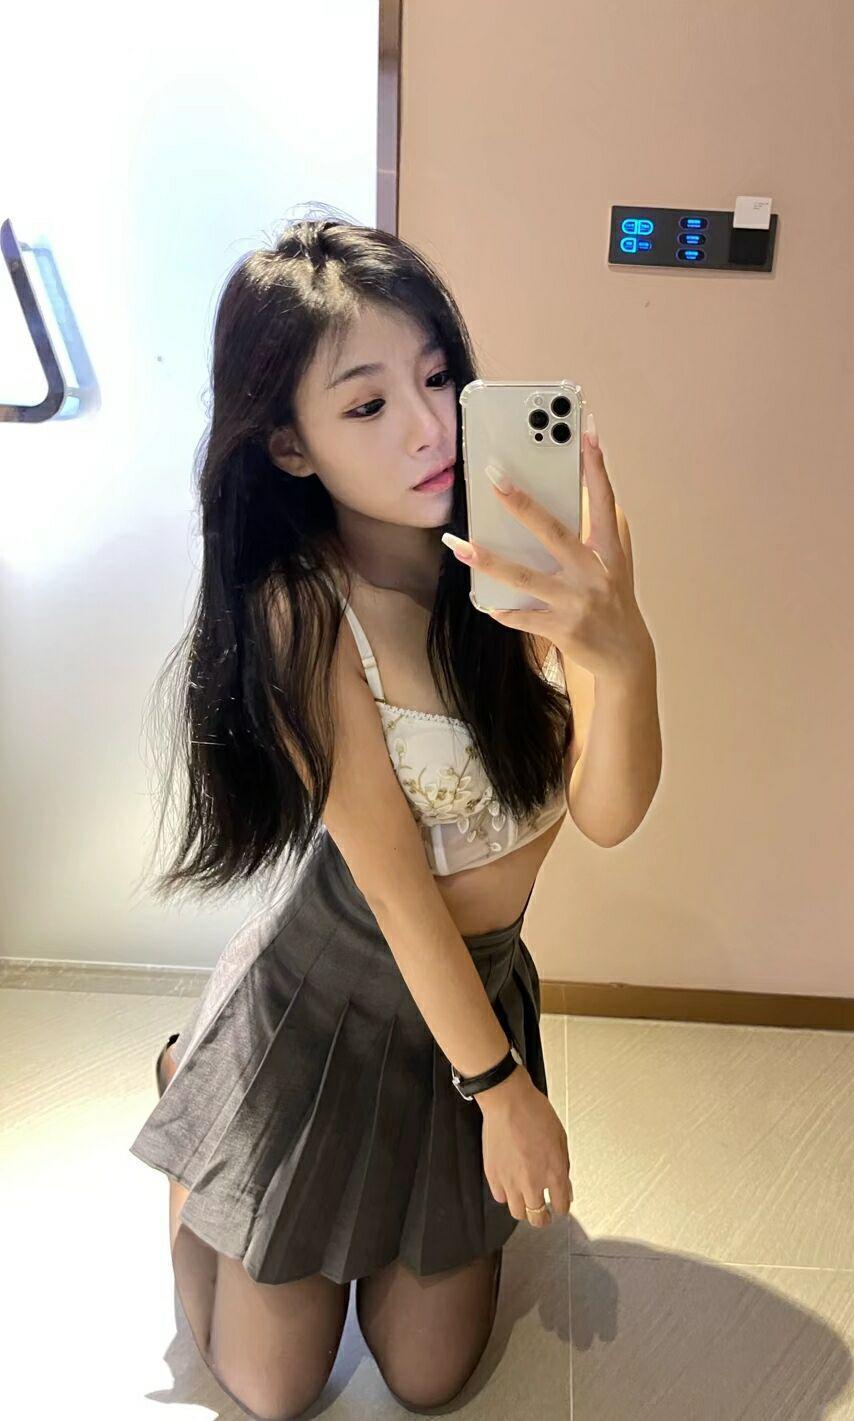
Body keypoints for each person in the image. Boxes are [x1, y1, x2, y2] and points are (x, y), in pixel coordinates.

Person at [128, 213, 657, 1420]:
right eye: (367, 404)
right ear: (291, 444)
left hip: (470, 992)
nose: (429, 427)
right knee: (271, 1388)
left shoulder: (541, 557)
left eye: (436, 377)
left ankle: (225, 1094)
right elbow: (392, 882)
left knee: (428, 1377)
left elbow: (611, 812)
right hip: (328, 997)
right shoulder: (303, 608)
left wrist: (622, 652)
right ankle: (196, 1090)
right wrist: (506, 1091)